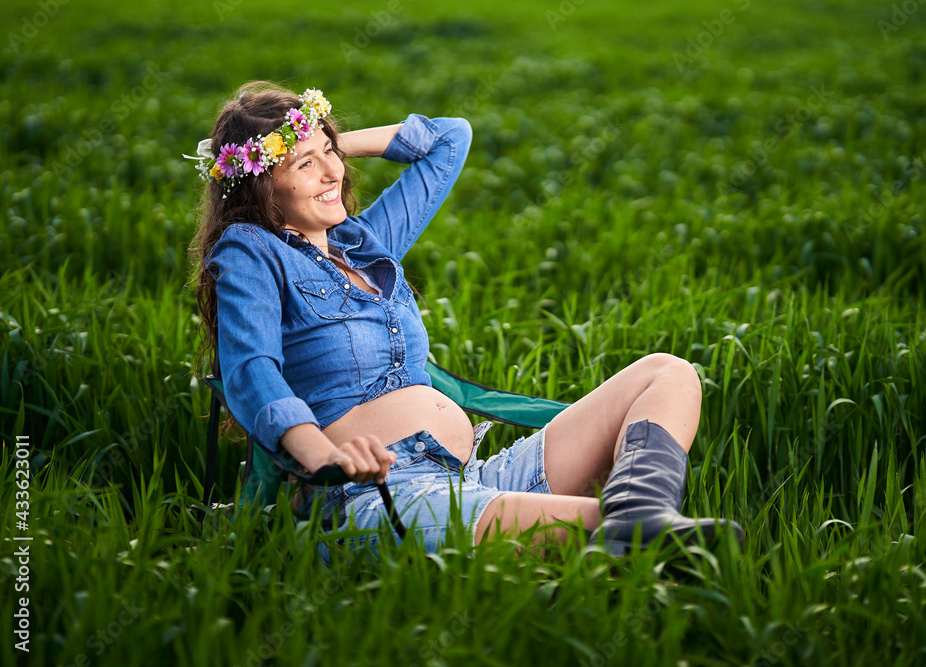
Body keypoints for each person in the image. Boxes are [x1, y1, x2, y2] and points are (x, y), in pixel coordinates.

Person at [189, 81, 744, 560]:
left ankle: (643, 515)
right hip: (378, 496)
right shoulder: (250, 250)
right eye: (304, 165)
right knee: (596, 529)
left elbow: (449, 139)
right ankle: (636, 533)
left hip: (466, 477)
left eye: (330, 153)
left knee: (667, 373)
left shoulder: (362, 242)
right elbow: (251, 372)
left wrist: (317, 142)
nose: (333, 171)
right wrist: (323, 457)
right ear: (259, 184)